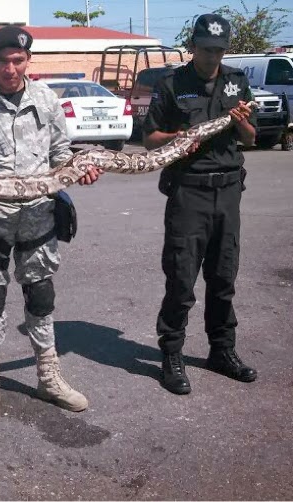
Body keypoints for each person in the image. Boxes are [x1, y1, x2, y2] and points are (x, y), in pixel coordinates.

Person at [0, 25, 102, 423]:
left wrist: (81, 169)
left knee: (41, 295)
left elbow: (61, 153)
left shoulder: (46, 100)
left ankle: (48, 375)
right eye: (1, 61)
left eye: (18, 60)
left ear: (28, 60)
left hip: (39, 216)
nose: (10, 68)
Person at [142, 14, 258, 395]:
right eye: (208, 50)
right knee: (181, 277)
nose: (213, 57)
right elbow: (150, 139)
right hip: (188, 191)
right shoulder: (172, 84)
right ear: (193, 46)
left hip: (227, 190)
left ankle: (222, 351)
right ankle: (171, 355)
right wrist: (179, 138)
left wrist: (241, 122)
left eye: (220, 50)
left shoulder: (236, 81)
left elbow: (251, 138)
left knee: (224, 277)